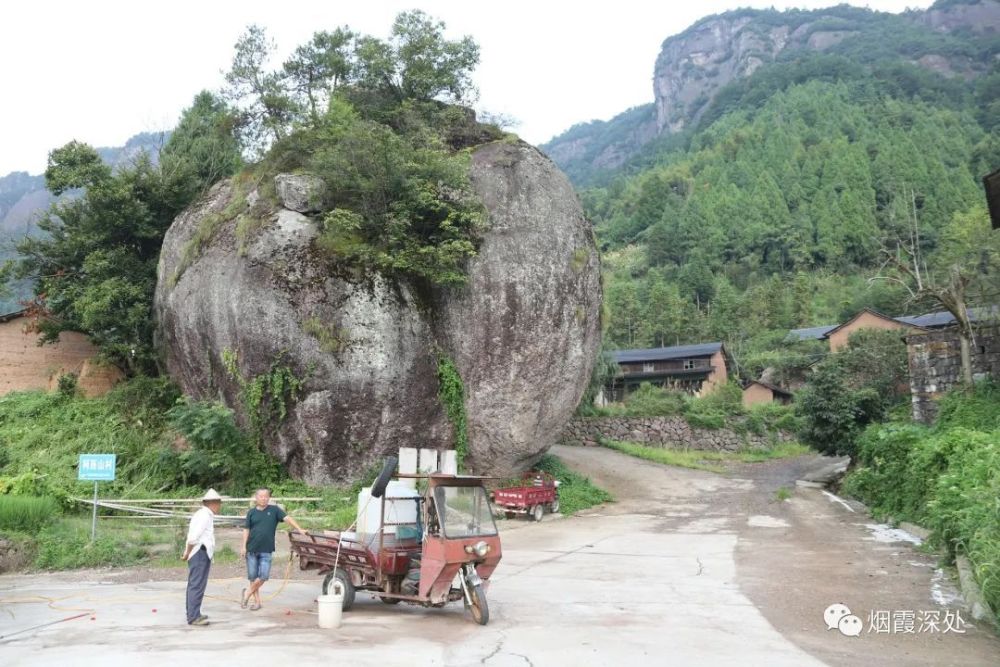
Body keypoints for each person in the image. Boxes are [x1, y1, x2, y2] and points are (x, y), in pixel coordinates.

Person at [240, 488, 303, 611]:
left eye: (266, 496)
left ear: (269, 498)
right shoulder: (251, 512)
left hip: (266, 549)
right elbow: (246, 529)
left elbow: (288, 518)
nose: (263, 498)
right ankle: (257, 602)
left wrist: (299, 529)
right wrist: (243, 546)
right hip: (251, 549)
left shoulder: (274, 511)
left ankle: (246, 593)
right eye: (261, 496)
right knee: (253, 577)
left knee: (263, 576)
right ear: (256, 498)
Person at [183, 488, 222, 626]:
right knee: (197, 584)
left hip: (200, 552)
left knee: (196, 584)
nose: (220, 506)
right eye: (219, 503)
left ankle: (194, 613)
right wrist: (187, 552)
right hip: (199, 552)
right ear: (213, 503)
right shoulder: (204, 516)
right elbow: (193, 538)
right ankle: (193, 616)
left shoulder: (204, 514)